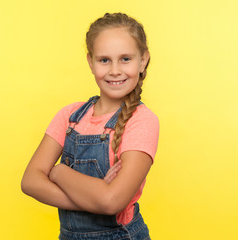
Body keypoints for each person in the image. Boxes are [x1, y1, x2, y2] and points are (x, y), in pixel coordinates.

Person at [21, 12, 159, 240]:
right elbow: (30, 181)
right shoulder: (70, 116)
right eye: (104, 60)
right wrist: (93, 196)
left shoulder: (141, 121)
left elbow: (111, 201)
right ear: (90, 62)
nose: (115, 70)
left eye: (125, 59)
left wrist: (58, 172)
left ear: (143, 60)